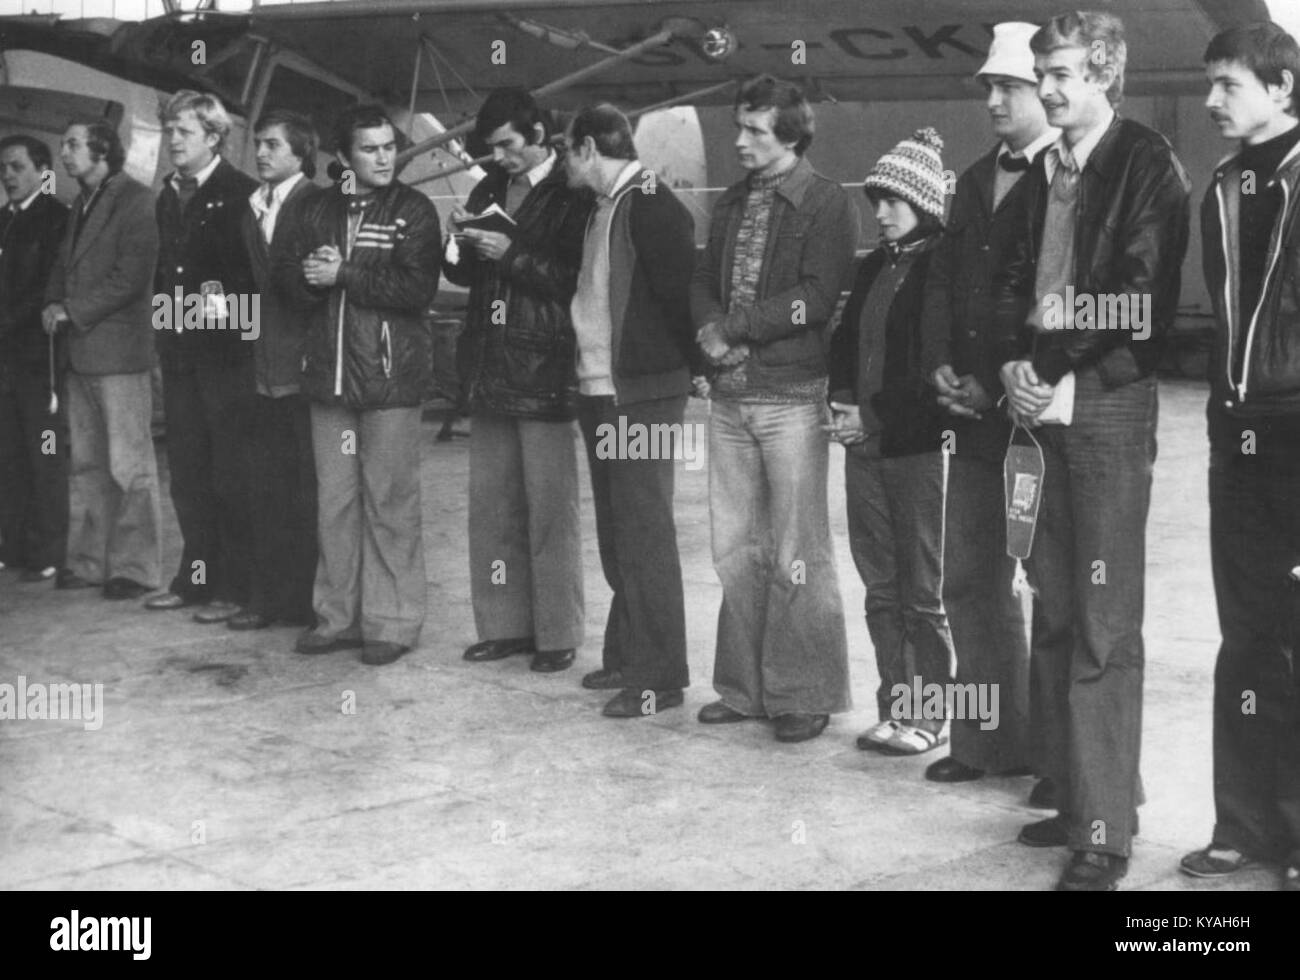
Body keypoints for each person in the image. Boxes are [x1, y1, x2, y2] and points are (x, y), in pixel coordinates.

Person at [995, 11, 1191, 891]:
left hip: (1107, 404)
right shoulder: (1046, 171)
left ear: (1107, 73)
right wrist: (1009, 364)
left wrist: (1043, 362)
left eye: (1065, 73)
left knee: (1106, 627)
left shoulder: (1147, 161)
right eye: (1044, 73)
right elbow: (1012, 281)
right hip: (1041, 403)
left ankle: (1105, 835)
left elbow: (1137, 296)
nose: (1048, 89)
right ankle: (1083, 796)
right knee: (1061, 607)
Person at [690, 75, 857, 743]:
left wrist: (735, 331)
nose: (740, 141)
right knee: (737, 547)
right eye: (740, 127)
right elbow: (704, 280)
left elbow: (816, 296)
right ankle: (743, 688)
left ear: (791, 135)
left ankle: (804, 694)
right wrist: (709, 335)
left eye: (755, 130)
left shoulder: (825, 203)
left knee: (797, 549)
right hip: (730, 400)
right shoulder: (731, 202)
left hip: (791, 399)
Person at [918, 22, 1058, 801]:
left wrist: (997, 387)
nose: (996, 100)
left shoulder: (1068, 181)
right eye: (991, 88)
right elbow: (942, 281)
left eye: (1010, 87)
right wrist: (942, 365)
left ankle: (1054, 757)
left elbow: (1050, 301)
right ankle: (985, 741)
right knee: (970, 579)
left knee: (1046, 582)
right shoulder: (972, 180)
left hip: (1033, 420)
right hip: (971, 418)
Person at [1185, 20, 1300, 892]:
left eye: (1229, 83)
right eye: (1211, 82)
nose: (1212, 99)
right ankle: (1245, 824)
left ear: (1283, 88)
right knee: (1247, 636)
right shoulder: (1221, 185)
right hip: (1239, 434)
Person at [277, 104, 441, 665]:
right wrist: (309, 275)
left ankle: (392, 621)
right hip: (330, 382)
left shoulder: (414, 210)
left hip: (390, 382)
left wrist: (343, 272)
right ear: (342, 158)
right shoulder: (315, 209)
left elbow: (417, 287)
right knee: (336, 504)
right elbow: (286, 281)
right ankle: (337, 617)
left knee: (390, 503)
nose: (382, 157)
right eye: (368, 149)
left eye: (388, 147)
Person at [444, 88, 593, 674]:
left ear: (539, 135)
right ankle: (504, 626)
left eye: (507, 145)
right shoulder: (487, 188)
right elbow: (460, 274)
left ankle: (558, 633)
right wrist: (459, 242)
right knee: (493, 507)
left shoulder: (574, 195)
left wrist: (509, 253)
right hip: (489, 363)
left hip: (547, 366)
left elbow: (577, 279)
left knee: (551, 509)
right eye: (491, 147)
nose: (497, 156)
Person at [562, 103, 698, 717]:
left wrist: (683, 370)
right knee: (620, 531)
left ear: (587, 147)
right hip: (601, 391)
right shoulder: (606, 207)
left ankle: (658, 676)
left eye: (568, 151)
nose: (565, 164)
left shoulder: (649, 202)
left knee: (644, 532)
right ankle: (626, 651)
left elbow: (680, 295)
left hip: (639, 396)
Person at [828, 128, 954, 757]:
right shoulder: (876, 263)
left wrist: (869, 417)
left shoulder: (941, 266)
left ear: (923, 204)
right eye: (876, 200)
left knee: (922, 590)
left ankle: (930, 716)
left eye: (891, 202)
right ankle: (894, 707)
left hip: (918, 447)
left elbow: (930, 369)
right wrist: (842, 402)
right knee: (880, 586)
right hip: (865, 447)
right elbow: (845, 342)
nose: (879, 213)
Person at [145, 90, 259, 623]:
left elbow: (251, 281)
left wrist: (221, 317)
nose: (172, 142)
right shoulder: (168, 195)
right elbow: (167, 273)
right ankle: (194, 580)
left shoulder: (242, 194)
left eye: (183, 132)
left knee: (230, 473)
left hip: (228, 357)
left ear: (214, 137)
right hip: (182, 355)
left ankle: (235, 587)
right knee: (187, 472)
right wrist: (167, 332)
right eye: (169, 132)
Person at [43, 122, 162, 600]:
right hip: (81, 354)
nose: (64, 153)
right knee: (87, 465)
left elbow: (131, 276)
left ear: (102, 151)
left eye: (72, 145)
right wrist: (53, 302)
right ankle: (91, 562)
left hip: (118, 354)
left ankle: (134, 569)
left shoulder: (136, 200)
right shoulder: (82, 202)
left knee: (129, 466)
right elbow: (64, 265)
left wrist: (73, 311)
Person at [231, 109, 320, 631]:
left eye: (271, 145)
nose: (261, 153)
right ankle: (271, 600)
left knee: (307, 494)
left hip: (303, 371)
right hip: (261, 372)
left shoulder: (315, 205)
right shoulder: (252, 208)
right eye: (259, 144)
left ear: (300, 153)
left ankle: (309, 603)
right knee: (266, 490)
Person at [0, 135, 70, 585]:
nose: (8, 176)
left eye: (17, 167)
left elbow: (47, 287)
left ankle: (48, 550)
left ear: (42, 171)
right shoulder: (4, 220)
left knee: (43, 452)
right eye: (4, 169)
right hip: (7, 359)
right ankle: (13, 545)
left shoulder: (57, 220)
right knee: (9, 454)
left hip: (38, 358)